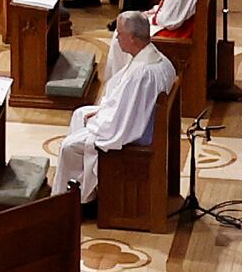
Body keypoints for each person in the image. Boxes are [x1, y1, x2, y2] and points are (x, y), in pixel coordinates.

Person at [48, 19, 175, 206]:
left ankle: (73, 203)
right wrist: (102, 112)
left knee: (68, 147)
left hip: (139, 134)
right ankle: (84, 190)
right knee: (80, 113)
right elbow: (130, 104)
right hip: (144, 121)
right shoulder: (158, 58)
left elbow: (124, 122)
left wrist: (99, 120)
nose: (117, 39)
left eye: (120, 34)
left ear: (132, 38)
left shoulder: (142, 73)